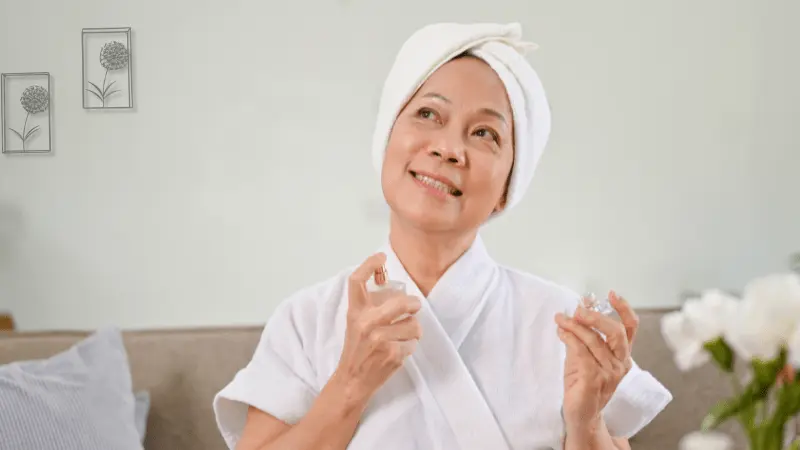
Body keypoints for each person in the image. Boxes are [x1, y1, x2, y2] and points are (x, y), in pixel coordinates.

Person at [213, 22, 672, 450]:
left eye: (484, 133)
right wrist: (350, 384)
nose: (448, 148)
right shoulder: (308, 320)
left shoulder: (563, 326)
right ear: (387, 137)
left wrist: (587, 422)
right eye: (428, 113)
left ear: (508, 187)